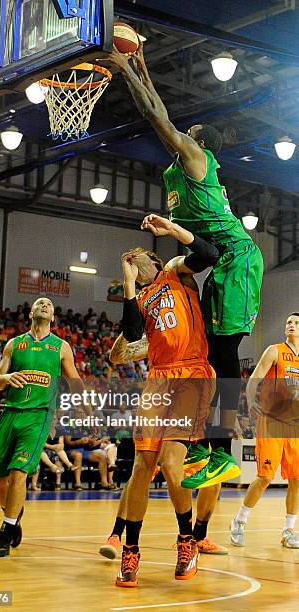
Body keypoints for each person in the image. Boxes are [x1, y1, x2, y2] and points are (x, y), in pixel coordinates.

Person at [103, 43, 264, 450]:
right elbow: (160, 112)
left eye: (188, 134)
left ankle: (223, 445)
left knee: (225, 348)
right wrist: (142, 65)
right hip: (222, 260)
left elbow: (156, 116)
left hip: (239, 258)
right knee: (211, 348)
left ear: (199, 143)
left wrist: (125, 68)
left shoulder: (197, 158)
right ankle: (209, 439)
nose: (181, 134)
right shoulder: (182, 166)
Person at [113, 218, 240, 588]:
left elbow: (208, 253)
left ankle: (187, 539)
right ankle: (130, 550)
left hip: (192, 373)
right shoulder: (139, 294)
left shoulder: (174, 273)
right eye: (129, 262)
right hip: (159, 377)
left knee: (172, 463)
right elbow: (133, 333)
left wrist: (171, 229)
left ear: (153, 259)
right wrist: (127, 283)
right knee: (142, 465)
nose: (133, 262)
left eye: (137, 259)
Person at [99, 331, 228, 563]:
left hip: (199, 403)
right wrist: (132, 324)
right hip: (165, 403)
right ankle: (116, 535)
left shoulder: (205, 337)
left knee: (214, 475)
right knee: (142, 471)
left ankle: (199, 536)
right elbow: (117, 355)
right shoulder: (162, 337)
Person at [0, 296, 91, 558]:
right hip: (10, 413)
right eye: (40, 303)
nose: (45, 305)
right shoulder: (15, 344)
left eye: (49, 305)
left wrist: (88, 408)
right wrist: (7, 377)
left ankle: (6, 531)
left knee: (19, 471)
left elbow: (75, 379)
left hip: (39, 416)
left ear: (53, 317)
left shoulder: (61, 347)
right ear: (31, 312)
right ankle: (14, 514)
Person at [230, 312, 299, 549]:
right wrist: (251, 403)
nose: (291, 325)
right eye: (289, 321)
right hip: (271, 421)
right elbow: (254, 379)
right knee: (266, 477)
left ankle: (289, 530)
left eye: (297, 323)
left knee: (297, 480)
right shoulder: (274, 350)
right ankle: (239, 521)